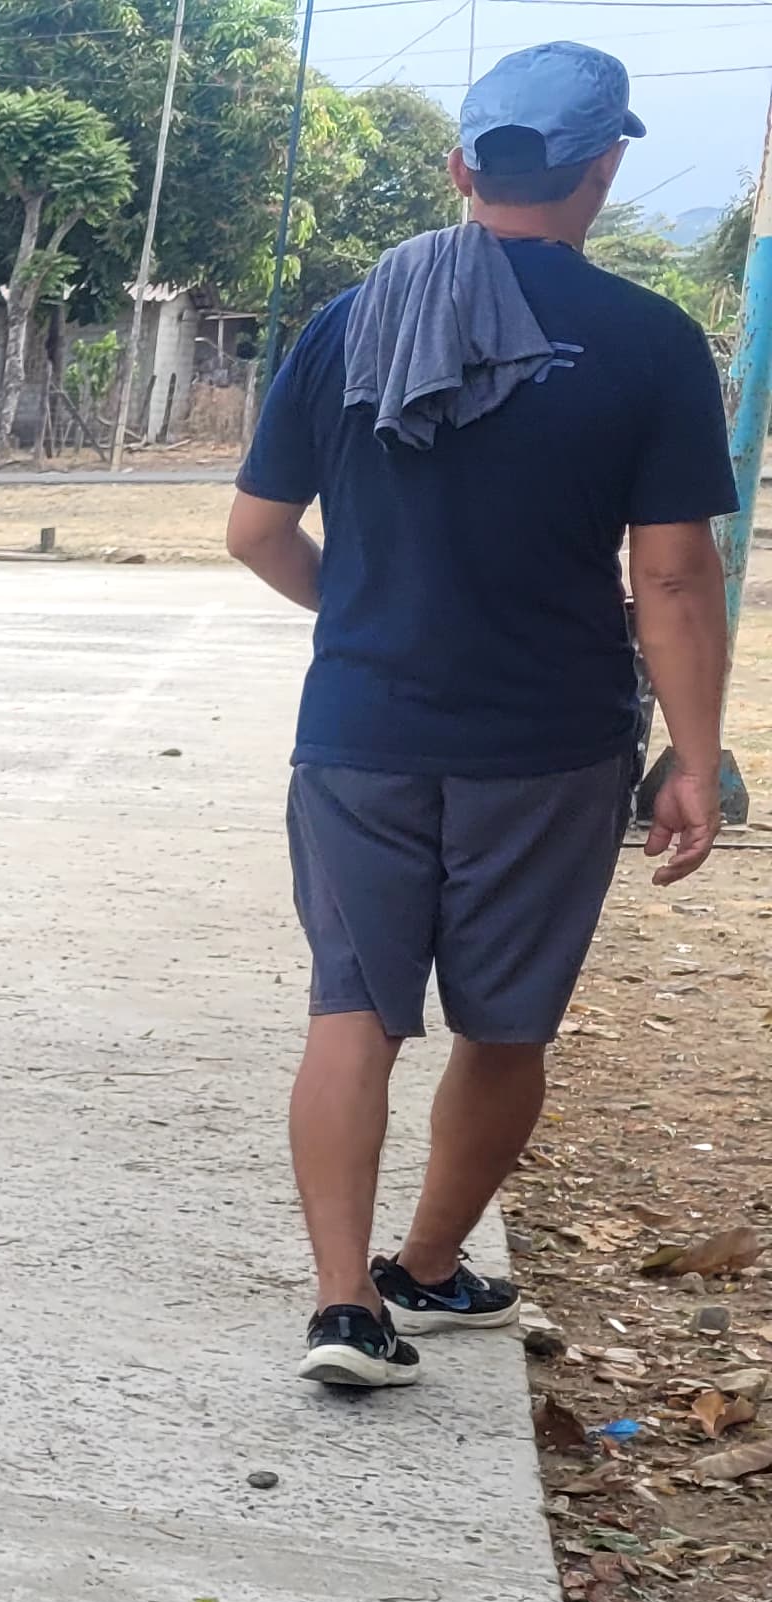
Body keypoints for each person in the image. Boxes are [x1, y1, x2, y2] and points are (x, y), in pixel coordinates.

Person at [228, 38, 739, 1389]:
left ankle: (345, 1310)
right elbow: (673, 578)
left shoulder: (350, 325)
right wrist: (697, 760)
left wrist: (363, 614)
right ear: (604, 167)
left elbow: (255, 532)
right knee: (504, 1025)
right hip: (548, 745)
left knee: (352, 1011)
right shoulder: (650, 342)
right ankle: (429, 1263)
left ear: (462, 167)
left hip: (360, 731)